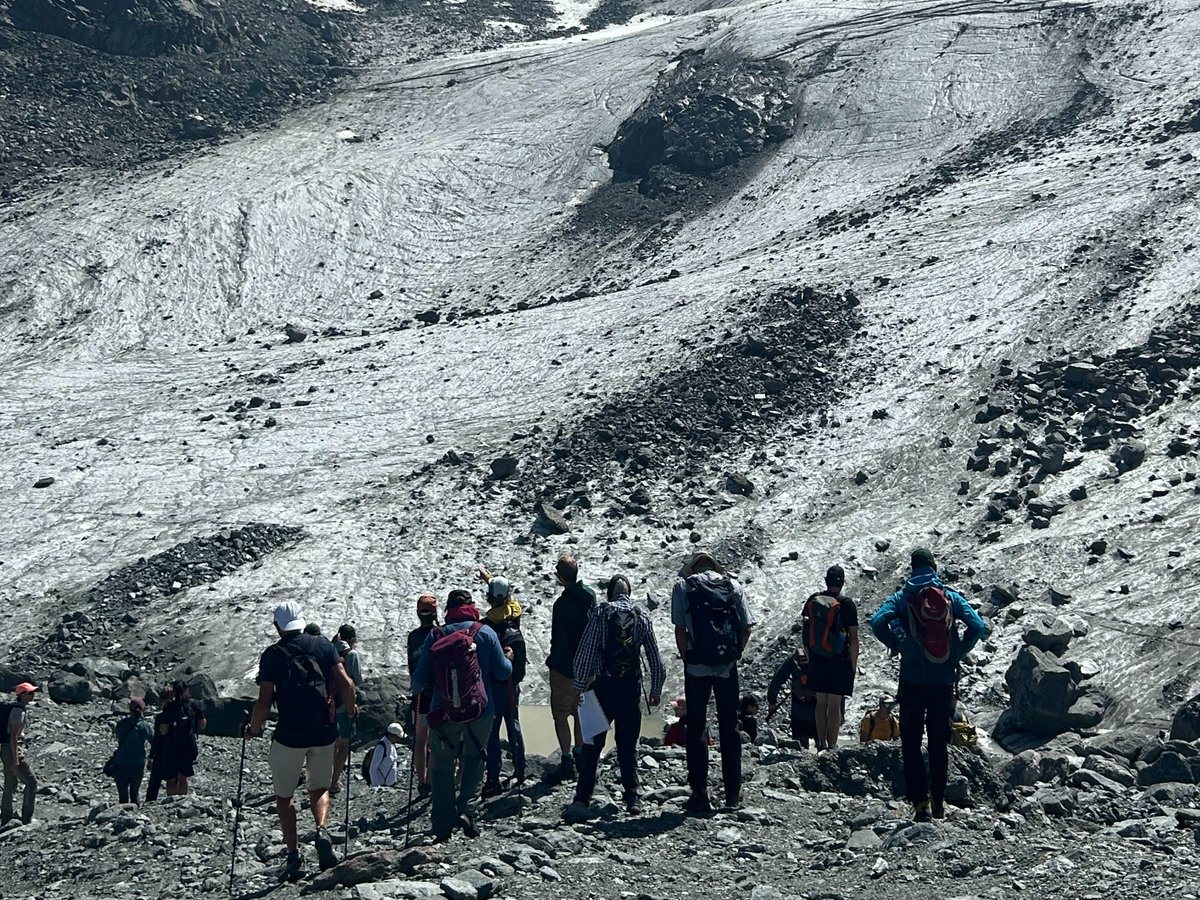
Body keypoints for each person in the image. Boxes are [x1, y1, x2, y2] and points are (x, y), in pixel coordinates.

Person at [871, 547, 985, 822]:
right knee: (938, 742)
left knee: (911, 741)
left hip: (911, 681)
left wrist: (898, 645)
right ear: (934, 567)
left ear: (912, 568)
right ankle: (939, 801)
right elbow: (977, 626)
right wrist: (958, 650)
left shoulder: (902, 597)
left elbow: (876, 622)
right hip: (943, 682)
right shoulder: (949, 597)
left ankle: (920, 803)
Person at [248, 600, 359, 880]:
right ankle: (321, 830)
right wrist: (349, 710)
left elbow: (264, 702)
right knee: (319, 787)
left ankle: (294, 855)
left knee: (284, 797)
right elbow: (346, 683)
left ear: (277, 626)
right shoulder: (322, 644)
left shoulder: (273, 655)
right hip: (323, 731)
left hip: (288, 735)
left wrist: (253, 728)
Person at [411, 588, 512, 842]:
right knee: (475, 759)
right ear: (471, 606)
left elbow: (419, 681)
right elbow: (503, 672)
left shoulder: (436, 636)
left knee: (443, 766)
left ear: (448, 609)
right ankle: (467, 810)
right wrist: (509, 657)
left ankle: (442, 824)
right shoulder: (485, 633)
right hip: (480, 712)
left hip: (443, 713)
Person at [570, 574, 666, 815]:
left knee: (592, 744)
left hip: (603, 688)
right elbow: (655, 657)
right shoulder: (642, 615)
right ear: (630, 592)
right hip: (630, 689)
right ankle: (632, 797)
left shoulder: (601, 613)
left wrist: (579, 687)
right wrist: (655, 690)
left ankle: (582, 798)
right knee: (628, 745)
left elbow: (585, 652)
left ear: (610, 593)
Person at [671, 551, 755, 814]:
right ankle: (732, 794)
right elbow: (747, 626)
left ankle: (700, 793)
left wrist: (688, 658)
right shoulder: (733, 586)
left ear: (693, 567)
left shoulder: (684, 587)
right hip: (727, 668)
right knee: (729, 726)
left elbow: (680, 629)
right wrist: (734, 654)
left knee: (696, 726)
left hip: (696, 668)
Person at [545, 554, 597, 783]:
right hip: (587, 668)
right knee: (580, 711)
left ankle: (566, 759)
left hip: (565, 668)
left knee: (560, 713)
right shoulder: (590, 596)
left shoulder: (562, 604)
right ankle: (580, 753)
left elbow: (559, 640)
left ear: (559, 577)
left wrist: (554, 662)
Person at [477, 572, 527, 796]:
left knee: (493, 733)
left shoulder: (484, 626)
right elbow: (512, 603)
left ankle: (493, 777)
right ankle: (520, 768)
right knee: (513, 725)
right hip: (511, 685)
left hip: (491, 686)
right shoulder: (515, 616)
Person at [802, 565, 859, 749]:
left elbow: (806, 632)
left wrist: (810, 658)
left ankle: (820, 743)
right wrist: (853, 664)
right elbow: (854, 637)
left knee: (821, 702)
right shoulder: (847, 604)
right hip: (839, 660)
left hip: (818, 657)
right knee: (834, 704)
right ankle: (833, 744)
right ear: (842, 582)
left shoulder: (814, 600)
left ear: (826, 581)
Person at [407, 593, 439, 798]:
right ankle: (432, 779)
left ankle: (421, 781)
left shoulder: (413, 637)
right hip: (438, 694)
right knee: (436, 739)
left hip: (419, 695)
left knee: (420, 740)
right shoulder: (441, 633)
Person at [331, 624, 364, 795]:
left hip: (330, 705)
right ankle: (334, 781)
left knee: (332, 742)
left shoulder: (330, 651)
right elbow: (357, 680)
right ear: (352, 639)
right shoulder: (351, 654)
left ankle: (323, 776)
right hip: (346, 705)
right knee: (345, 744)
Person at [159, 680, 207, 796]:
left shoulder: (169, 707)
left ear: (174, 691)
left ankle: (171, 801)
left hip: (172, 744)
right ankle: (182, 800)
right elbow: (202, 725)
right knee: (183, 776)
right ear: (187, 690)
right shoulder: (195, 705)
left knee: (170, 778)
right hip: (188, 744)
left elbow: (164, 730)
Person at [1, 682, 39, 826]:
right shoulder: (19, 712)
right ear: (22, 695)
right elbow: (14, 737)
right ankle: (27, 818)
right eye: (30, 693)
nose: (32, 695)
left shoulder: (13, 708)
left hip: (5, 750)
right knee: (31, 782)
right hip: (12, 750)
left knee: (10, 783)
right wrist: (16, 760)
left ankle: (6, 817)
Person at [766, 647, 817, 748]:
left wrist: (772, 700)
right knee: (822, 743)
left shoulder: (796, 657)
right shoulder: (825, 654)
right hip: (820, 708)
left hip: (799, 709)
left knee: (800, 746)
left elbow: (778, 677)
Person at [111, 697, 154, 804]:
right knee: (135, 793)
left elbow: (118, 736)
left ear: (130, 709)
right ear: (143, 710)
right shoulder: (144, 726)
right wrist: (151, 758)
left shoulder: (121, 724)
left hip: (121, 762)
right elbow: (155, 741)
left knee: (123, 795)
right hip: (137, 763)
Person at [144, 684, 173, 803]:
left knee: (154, 782)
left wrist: (151, 756)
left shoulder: (161, 717)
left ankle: (149, 803)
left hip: (161, 752)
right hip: (174, 752)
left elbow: (157, 738)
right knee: (172, 780)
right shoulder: (181, 715)